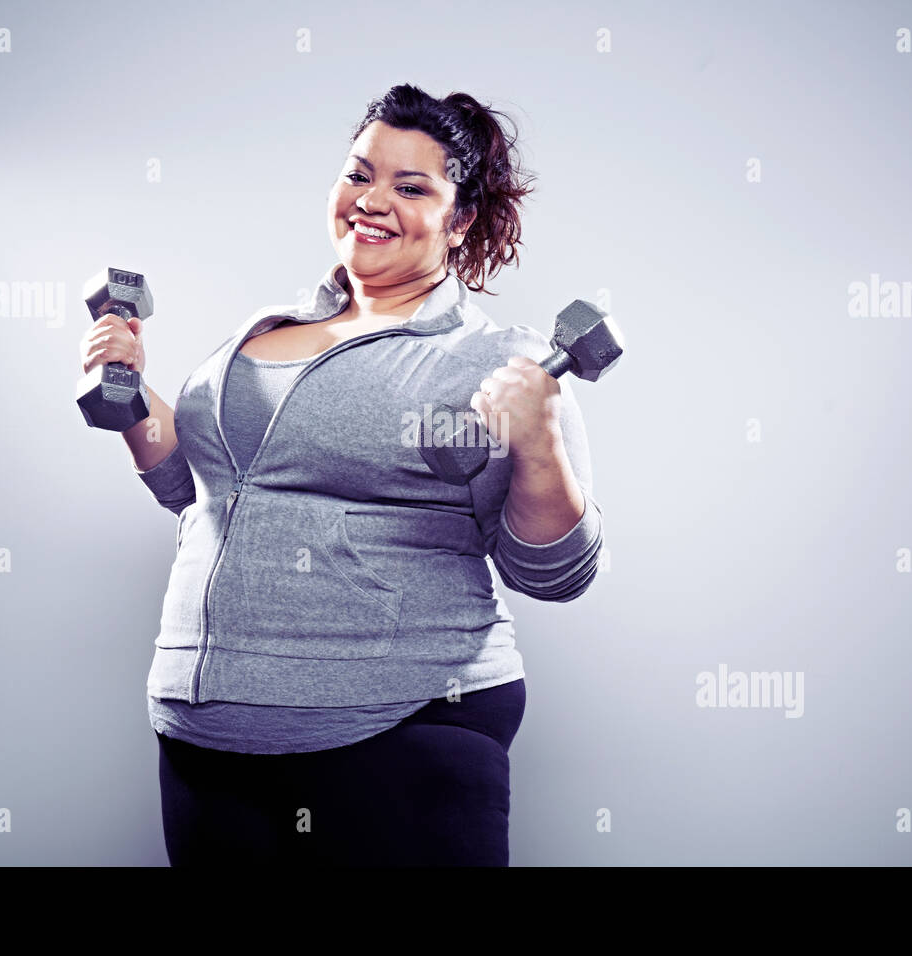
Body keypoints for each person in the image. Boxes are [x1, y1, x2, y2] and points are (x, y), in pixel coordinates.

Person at [78, 84, 605, 867]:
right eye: (359, 174)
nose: (372, 201)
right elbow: (207, 493)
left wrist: (539, 443)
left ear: (460, 221)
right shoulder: (267, 329)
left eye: (411, 186)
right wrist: (130, 397)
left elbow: (555, 571)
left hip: (400, 729)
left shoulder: (499, 360)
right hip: (202, 739)